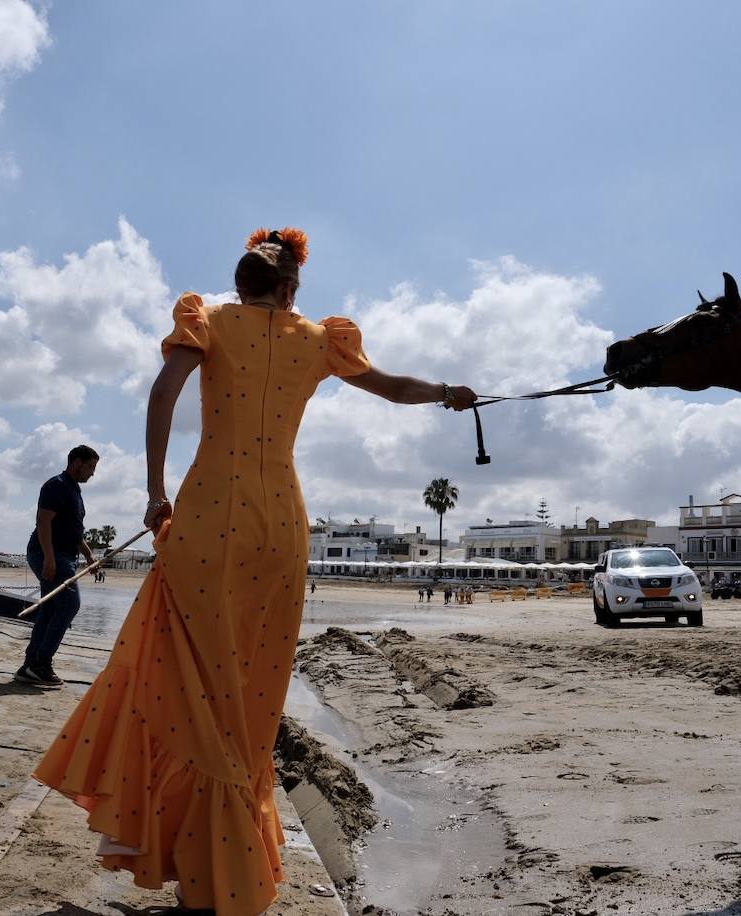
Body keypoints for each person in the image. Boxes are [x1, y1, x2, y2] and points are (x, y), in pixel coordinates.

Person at [32, 228, 475, 914]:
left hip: (211, 517)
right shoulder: (320, 339)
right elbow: (391, 387)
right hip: (280, 526)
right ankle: (223, 863)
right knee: (251, 699)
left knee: (183, 686)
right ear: (292, 285)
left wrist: (155, 491)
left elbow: (162, 397)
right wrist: (448, 393)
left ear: (243, 283)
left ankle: (193, 862)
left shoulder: (205, 322)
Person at [17, 445, 100, 688]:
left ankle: (30, 665)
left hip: (65, 555)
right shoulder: (57, 485)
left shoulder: (74, 491)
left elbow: (75, 532)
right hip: (50, 554)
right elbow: (43, 522)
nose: (92, 473)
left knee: (51, 609)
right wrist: (49, 559)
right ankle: (40, 663)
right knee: (69, 605)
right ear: (76, 462)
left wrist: (89, 557)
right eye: (90, 467)